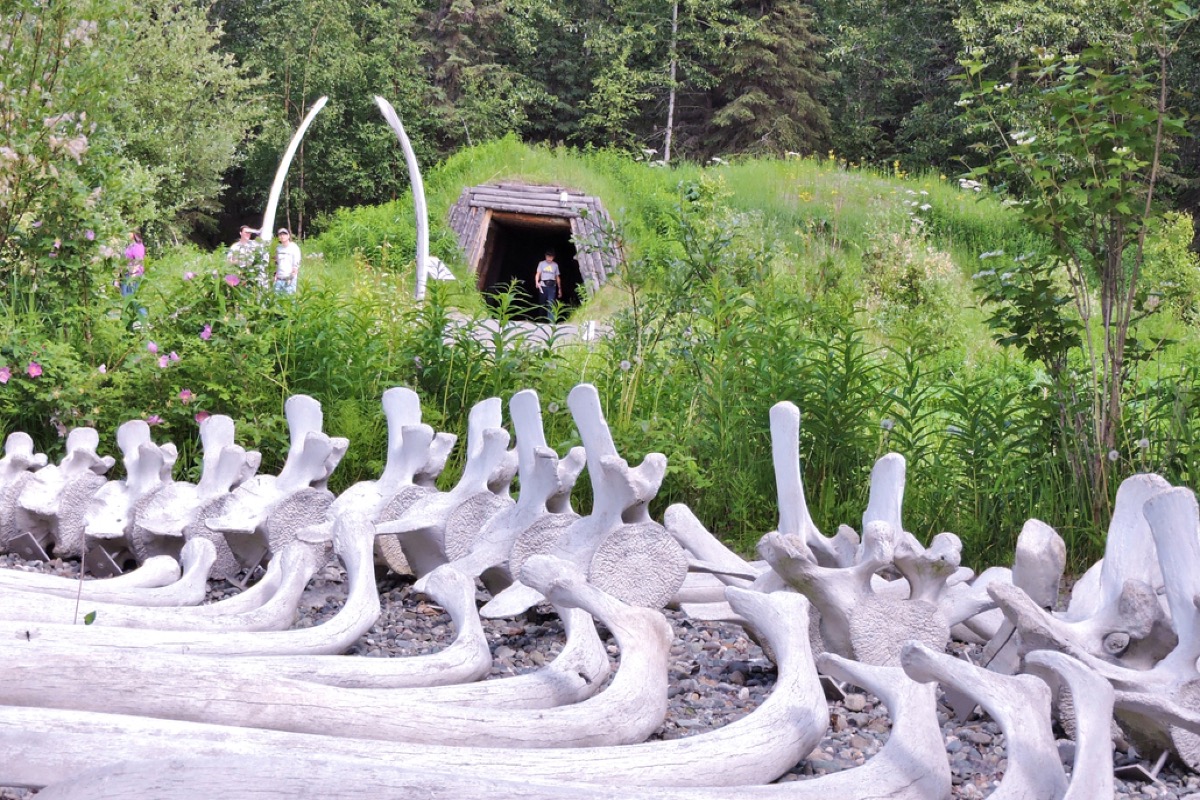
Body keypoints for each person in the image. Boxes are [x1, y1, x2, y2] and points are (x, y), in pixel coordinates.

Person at [534, 249, 562, 322]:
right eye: (548, 256)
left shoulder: (555, 265)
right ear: (545, 256)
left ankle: (551, 321)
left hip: (552, 286)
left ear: (553, 257)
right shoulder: (541, 264)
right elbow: (538, 273)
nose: (549, 258)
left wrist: (559, 289)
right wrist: (536, 282)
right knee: (542, 304)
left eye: (551, 257)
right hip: (543, 286)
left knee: (551, 303)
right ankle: (541, 320)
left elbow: (557, 277)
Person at [273, 228, 301, 295]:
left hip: (289, 280)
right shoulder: (278, 248)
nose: (282, 236)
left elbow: (296, 266)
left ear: (288, 236)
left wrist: (290, 278)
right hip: (278, 280)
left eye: (284, 234)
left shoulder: (294, 248)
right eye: (280, 235)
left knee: (288, 302)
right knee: (276, 302)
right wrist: (274, 276)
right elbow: (276, 264)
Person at [121, 230, 145, 297]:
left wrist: (133, 277)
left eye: (129, 232)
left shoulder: (137, 246)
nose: (127, 234)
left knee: (132, 297)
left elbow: (138, 261)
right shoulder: (130, 245)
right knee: (126, 298)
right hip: (126, 274)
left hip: (133, 275)